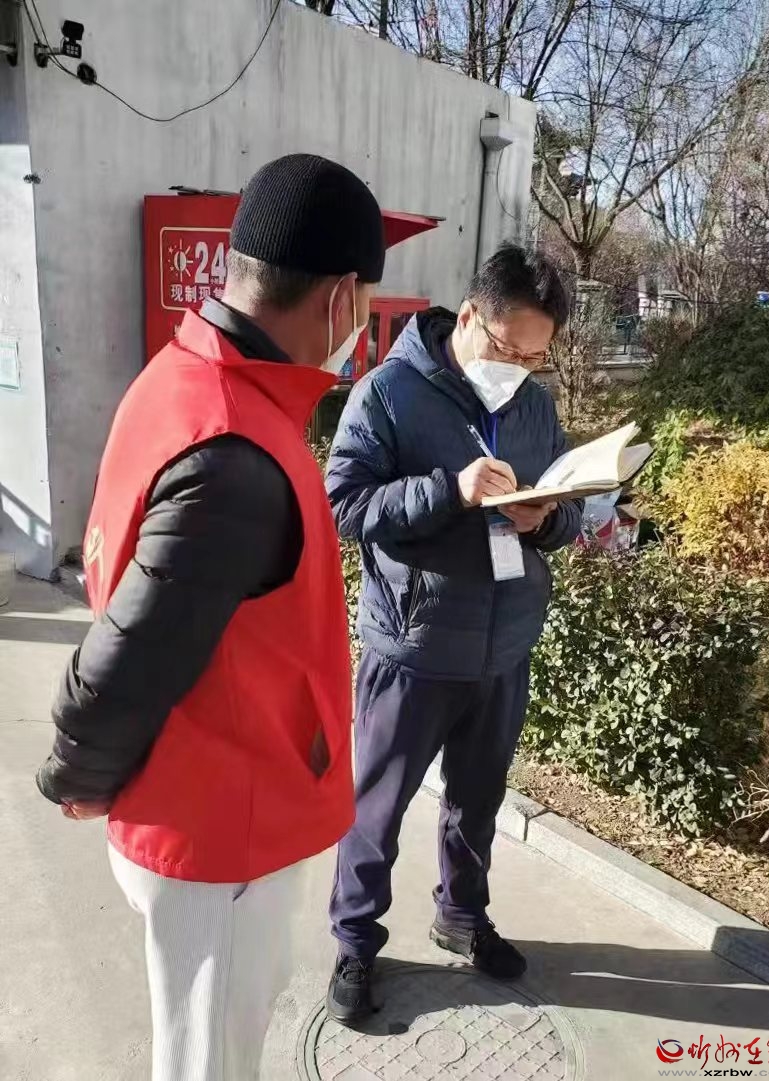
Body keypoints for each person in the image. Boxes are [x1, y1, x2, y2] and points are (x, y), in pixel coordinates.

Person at [35, 153, 385, 1081]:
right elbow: (133, 646)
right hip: (218, 827)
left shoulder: (183, 373)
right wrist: (78, 772)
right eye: (364, 303)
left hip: (198, 800)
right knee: (209, 1064)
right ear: (340, 298)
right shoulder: (237, 447)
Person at [325, 244, 581, 1024]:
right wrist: (449, 491)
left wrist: (545, 520)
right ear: (469, 317)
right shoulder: (389, 392)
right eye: (509, 350)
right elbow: (343, 504)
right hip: (414, 644)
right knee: (377, 806)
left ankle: (462, 916)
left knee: (477, 800)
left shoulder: (532, 407)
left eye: (534, 359)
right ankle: (355, 942)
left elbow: (565, 502)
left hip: (502, 644)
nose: (519, 369)